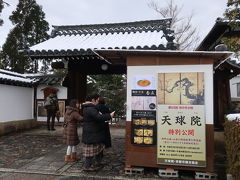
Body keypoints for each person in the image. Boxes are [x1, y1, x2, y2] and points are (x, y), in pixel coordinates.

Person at [81, 94, 115, 171]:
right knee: (90, 150)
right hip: (91, 132)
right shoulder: (90, 108)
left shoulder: (89, 108)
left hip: (93, 132)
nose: (97, 102)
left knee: (98, 147)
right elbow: (98, 117)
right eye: (97, 100)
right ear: (93, 100)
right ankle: (87, 166)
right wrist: (109, 115)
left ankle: (97, 162)